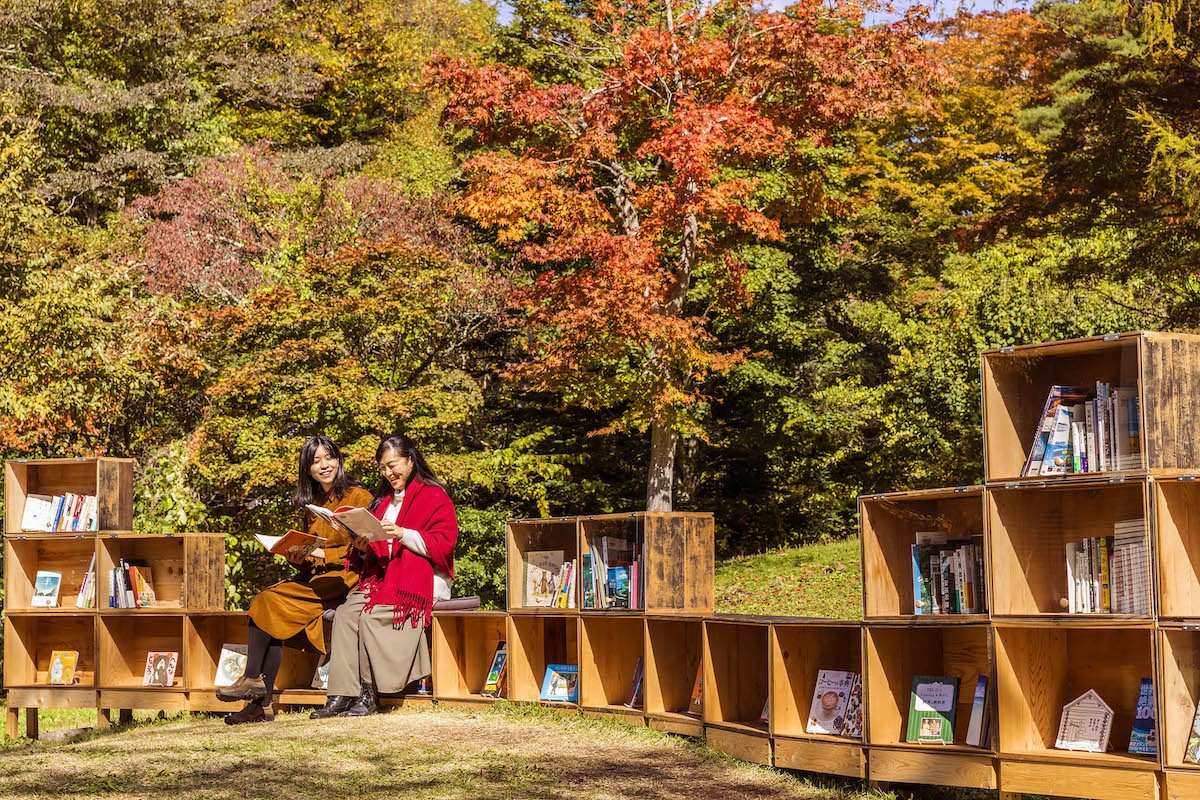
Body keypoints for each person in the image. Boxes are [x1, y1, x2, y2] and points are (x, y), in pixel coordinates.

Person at [218, 436, 373, 724]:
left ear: (339, 461)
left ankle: (254, 684)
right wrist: (295, 553)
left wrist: (322, 553)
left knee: (269, 603)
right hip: (316, 578)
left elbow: (364, 546)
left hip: (346, 579)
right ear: (308, 469)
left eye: (329, 458)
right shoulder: (312, 503)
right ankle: (260, 703)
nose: (324, 465)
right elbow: (310, 549)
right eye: (316, 462)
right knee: (266, 606)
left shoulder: (359, 497)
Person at [310, 433, 457, 719]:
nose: (388, 473)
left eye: (393, 465)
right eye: (383, 468)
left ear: (411, 461)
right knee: (346, 613)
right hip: (383, 579)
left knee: (369, 616)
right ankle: (341, 694)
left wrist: (404, 534)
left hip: (420, 580)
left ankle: (369, 693)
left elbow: (445, 543)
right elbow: (377, 549)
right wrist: (362, 548)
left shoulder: (433, 495)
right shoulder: (383, 501)